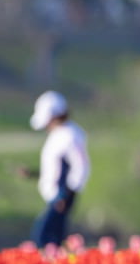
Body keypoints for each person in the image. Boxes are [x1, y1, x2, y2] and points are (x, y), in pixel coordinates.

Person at [21, 90, 90, 248]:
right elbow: (54, 170)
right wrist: (33, 173)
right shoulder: (60, 135)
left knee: (44, 236)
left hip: (62, 195)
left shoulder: (70, 135)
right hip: (57, 195)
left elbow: (80, 167)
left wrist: (66, 194)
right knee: (53, 236)